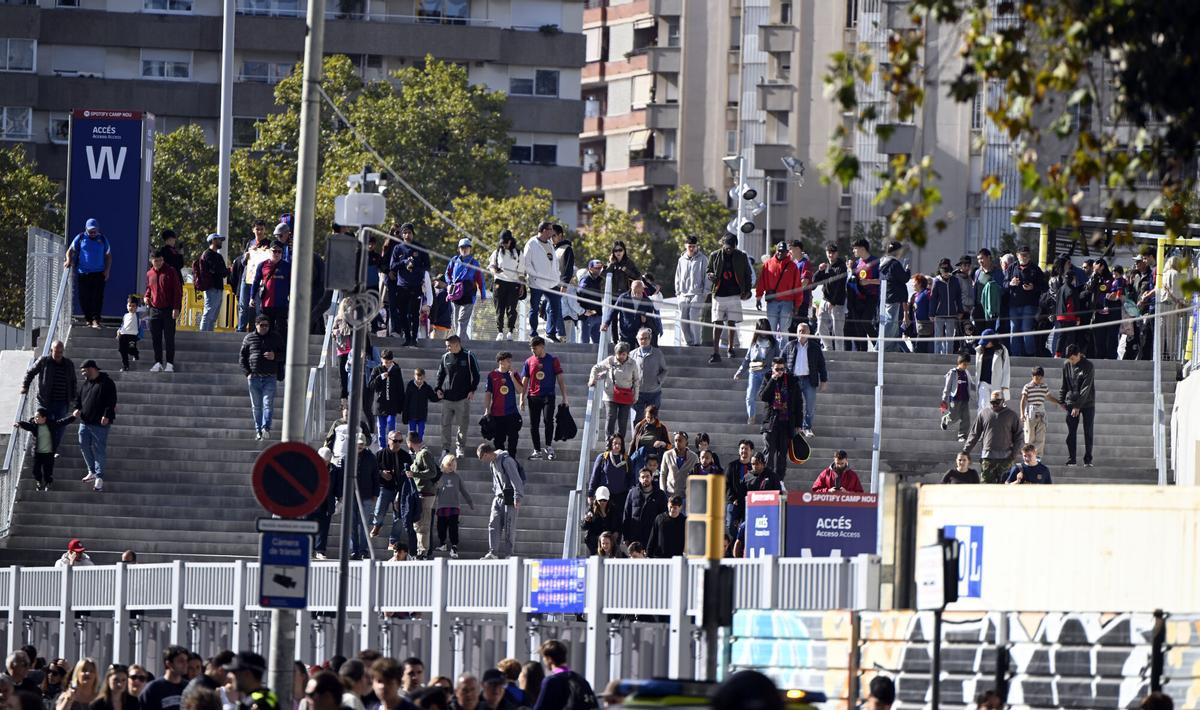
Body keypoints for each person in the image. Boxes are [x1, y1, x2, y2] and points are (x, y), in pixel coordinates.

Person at [20, 340, 77, 451]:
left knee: (59, 428)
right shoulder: (44, 361)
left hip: (62, 402)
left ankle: (52, 450)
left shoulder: (68, 364)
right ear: (51, 351)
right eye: (56, 352)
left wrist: (73, 397)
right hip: (45, 401)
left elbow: (73, 381)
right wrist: (25, 386)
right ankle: (39, 449)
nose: (59, 355)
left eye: (61, 352)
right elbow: (30, 372)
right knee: (43, 426)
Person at [707, 234, 754, 363]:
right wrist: (710, 275)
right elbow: (708, 270)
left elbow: (747, 274)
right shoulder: (714, 255)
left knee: (732, 322)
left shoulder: (741, 256)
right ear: (723, 245)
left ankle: (730, 348)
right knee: (717, 323)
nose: (729, 250)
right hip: (718, 294)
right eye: (727, 247)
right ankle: (715, 352)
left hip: (734, 294)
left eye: (731, 247)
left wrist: (747, 290)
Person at [519, 337, 568, 461]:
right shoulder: (529, 361)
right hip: (533, 396)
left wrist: (565, 397)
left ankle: (549, 446)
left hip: (548, 395)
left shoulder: (553, 360)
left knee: (548, 420)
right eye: (531, 349)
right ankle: (537, 450)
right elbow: (524, 381)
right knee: (533, 424)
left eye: (535, 348)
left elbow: (560, 379)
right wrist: (521, 397)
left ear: (542, 346)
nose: (533, 351)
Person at [73, 360, 116, 492]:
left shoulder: (107, 382)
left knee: (99, 449)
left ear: (92, 369)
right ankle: (91, 471)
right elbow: (79, 399)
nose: (82, 373)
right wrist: (77, 408)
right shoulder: (86, 383)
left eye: (84, 370)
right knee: (83, 444)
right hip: (85, 422)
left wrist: (106, 415)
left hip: (100, 423)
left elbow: (112, 400)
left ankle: (99, 476)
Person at [240, 315, 285, 441]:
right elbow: (242, 357)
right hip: (254, 377)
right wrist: (247, 373)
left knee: (267, 404)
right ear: (256, 325)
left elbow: (284, 354)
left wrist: (274, 356)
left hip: (269, 377)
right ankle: (258, 430)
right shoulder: (249, 338)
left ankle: (266, 428)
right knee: (256, 406)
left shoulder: (275, 337)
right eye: (262, 325)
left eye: (267, 325)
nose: (265, 328)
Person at [962, 389, 1022, 483]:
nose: (994, 404)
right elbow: (974, 433)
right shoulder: (984, 413)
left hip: (1005, 459)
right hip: (987, 458)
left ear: (1003, 401)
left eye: (997, 402)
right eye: (992, 402)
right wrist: (966, 450)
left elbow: (1019, 436)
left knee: (1005, 488)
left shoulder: (1012, 415)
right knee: (986, 487)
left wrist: (1013, 455)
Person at [435, 335, 480, 459]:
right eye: (447, 346)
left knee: (463, 424)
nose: (447, 348)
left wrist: (472, 390)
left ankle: (460, 447)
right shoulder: (445, 357)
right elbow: (440, 374)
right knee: (445, 424)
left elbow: (476, 375)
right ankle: (445, 448)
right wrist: (438, 388)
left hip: (463, 398)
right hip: (447, 397)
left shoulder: (469, 356)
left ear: (457, 344)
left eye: (449, 346)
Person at [370, 430, 415, 552]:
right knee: (379, 511)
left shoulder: (405, 456)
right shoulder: (380, 454)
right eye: (395, 441)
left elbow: (409, 473)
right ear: (388, 440)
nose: (397, 443)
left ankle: (393, 541)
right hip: (384, 487)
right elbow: (373, 471)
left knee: (399, 516)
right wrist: (381, 473)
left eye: (400, 441)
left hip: (400, 490)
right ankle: (377, 526)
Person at [477, 443, 524, 560]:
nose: (482, 460)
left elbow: (516, 479)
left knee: (509, 527)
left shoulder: (506, 461)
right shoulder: (492, 463)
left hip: (510, 498)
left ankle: (509, 554)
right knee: (493, 524)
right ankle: (493, 552)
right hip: (498, 498)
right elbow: (495, 480)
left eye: (482, 457)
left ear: (487, 454)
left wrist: (517, 496)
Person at [758, 358, 803, 478]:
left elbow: (799, 403)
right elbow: (763, 396)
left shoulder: (792, 381)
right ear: (772, 369)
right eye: (777, 369)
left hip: (786, 422)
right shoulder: (768, 378)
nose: (780, 371)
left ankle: (779, 481)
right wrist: (773, 380)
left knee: (782, 454)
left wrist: (799, 424)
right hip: (771, 422)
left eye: (782, 369)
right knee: (769, 451)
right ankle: (766, 479)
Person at [781, 323, 828, 438]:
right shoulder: (790, 345)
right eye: (800, 330)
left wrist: (824, 380)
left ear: (809, 333)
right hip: (793, 380)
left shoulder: (815, 347)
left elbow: (821, 365)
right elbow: (781, 360)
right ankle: (794, 427)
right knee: (792, 405)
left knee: (810, 406)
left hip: (809, 380)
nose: (801, 333)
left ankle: (807, 427)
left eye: (804, 331)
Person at [587, 342, 640, 442]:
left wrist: (636, 395)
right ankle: (609, 442)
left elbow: (636, 380)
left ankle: (619, 443)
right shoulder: (610, 360)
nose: (621, 356)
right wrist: (592, 379)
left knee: (623, 421)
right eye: (619, 354)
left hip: (625, 395)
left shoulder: (632, 363)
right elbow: (596, 368)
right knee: (611, 418)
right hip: (610, 395)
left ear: (627, 354)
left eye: (623, 354)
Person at [388, 224, 430, 347]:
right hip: (402, 286)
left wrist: (417, 269)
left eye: (410, 232)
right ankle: (407, 337)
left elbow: (427, 266)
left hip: (416, 286)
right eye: (405, 232)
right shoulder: (398, 248)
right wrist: (404, 262)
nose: (407, 235)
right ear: (401, 234)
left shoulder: (420, 248)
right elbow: (392, 266)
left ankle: (414, 338)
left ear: (413, 234)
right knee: (403, 313)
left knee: (414, 313)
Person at [66, 218, 112, 329]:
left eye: (94, 230)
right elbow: (70, 251)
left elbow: (109, 256)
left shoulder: (102, 239)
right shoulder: (81, 238)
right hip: (83, 273)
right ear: (86, 229)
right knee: (83, 297)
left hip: (98, 273)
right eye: (90, 231)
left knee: (97, 298)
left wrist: (107, 270)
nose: (93, 233)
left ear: (98, 229)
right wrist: (68, 260)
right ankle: (88, 319)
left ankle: (96, 320)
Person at [14, 407, 74, 491]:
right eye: (35, 417)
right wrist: (19, 423)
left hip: (49, 453)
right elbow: (27, 426)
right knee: (36, 470)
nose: (35, 419)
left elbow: (62, 422)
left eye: (37, 417)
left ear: (44, 418)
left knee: (48, 470)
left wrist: (73, 417)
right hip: (37, 453)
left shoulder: (51, 424)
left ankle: (48, 483)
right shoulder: (34, 425)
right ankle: (39, 481)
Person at [756, 242, 803, 346]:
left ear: (787, 252)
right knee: (771, 329)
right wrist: (758, 297)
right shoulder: (768, 264)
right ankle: (772, 352)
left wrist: (797, 305)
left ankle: (784, 355)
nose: (780, 253)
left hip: (787, 302)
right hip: (772, 302)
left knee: (785, 330)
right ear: (776, 250)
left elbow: (797, 287)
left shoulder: (792, 266)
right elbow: (761, 282)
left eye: (783, 251)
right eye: (779, 250)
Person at [735, 319, 780, 425]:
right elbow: (747, 359)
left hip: (768, 372)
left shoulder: (774, 344)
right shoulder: (754, 343)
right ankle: (751, 416)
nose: (763, 331)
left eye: (765, 329)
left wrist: (777, 372)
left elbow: (778, 359)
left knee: (770, 396)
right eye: (761, 329)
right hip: (754, 372)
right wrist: (740, 372)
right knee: (750, 396)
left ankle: (771, 417)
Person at [522, 222, 562, 341]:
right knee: (534, 308)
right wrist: (536, 275)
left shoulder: (550, 243)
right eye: (550, 230)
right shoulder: (531, 244)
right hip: (537, 282)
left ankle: (551, 332)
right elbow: (526, 264)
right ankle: (533, 333)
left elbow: (553, 262)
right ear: (544, 230)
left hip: (552, 282)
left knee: (556, 306)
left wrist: (557, 275)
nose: (552, 232)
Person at [144, 250, 183, 373]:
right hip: (154, 310)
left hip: (169, 309)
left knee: (169, 338)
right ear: (152, 261)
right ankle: (158, 362)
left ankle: (170, 363)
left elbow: (178, 291)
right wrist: (146, 296)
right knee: (156, 338)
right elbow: (149, 288)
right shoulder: (149, 273)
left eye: (161, 260)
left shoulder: (171, 271)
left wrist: (176, 308)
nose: (159, 262)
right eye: (156, 261)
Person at [1005, 245, 1047, 356]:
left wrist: (1033, 287)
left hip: (1029, 304)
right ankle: (1015, 355)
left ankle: (1030, 354)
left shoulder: (1036, 269)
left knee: (1026, 329)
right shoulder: (1011, 268)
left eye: (1027, 255)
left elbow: (1044, 286)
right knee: (1014, 330)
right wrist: (1011, 283)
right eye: (1022, 255)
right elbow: (1004, 284)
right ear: (1017, 255)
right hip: (1014, 304)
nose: (1024, 257)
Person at [1059, 343, 1096, 467]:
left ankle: (1088, 459)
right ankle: (1072, 458)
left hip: (1087, 403)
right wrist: (1062, 400)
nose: (1071, 361)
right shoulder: (1066, 365)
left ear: (1078, 355)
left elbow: (1086, 388)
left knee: (1088, 431)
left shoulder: (1088, 366)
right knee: (1071, 432)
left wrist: (1078, 406)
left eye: (1073, 359)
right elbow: (1064, 384)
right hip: (1071, 401)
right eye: (1069, 359)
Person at [432, 453, 474, 559]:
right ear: (444, 464)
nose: (451, 467)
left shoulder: (457, 477)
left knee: (453, 528)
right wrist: (432, 504)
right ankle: (443, 544)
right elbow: (435, 491)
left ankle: (454, 546)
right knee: (441, 527)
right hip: (442, 507)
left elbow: (464, 491)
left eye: (453, 465)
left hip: (454, 507)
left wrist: (470, 502)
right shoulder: (440, 477)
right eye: (449, 465)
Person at [586, 434, 633, 529]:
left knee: (618, 524)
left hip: (621, 497)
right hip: (605, 497)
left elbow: (631, 478)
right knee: (605, 523)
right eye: (615, 443)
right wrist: (590, 494)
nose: (617, 446)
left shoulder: (626, 459)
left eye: (619, 443)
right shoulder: (603, 457)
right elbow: (595, 476)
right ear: (611, 444)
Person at [531, 641, 595, 710]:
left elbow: (539, 708)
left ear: (549, 659)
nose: (543, 660)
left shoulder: (551, 681)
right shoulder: (581, 680)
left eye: (544, 657)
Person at [406, 431, 439, 560]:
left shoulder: (424, 453)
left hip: (426, 493)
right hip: (422, 492)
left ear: (409, 443)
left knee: (423, 523)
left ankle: (423, 552)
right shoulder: (420, 453)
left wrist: (415, 474)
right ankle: (422, 550)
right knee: (419, 523)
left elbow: (432, 472)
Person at [482, 351, 523, 457]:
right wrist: (487, 410)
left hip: (512, 413)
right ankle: (501, 461)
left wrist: (513, 377)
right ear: (501, 362)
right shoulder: (492, 375)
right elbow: (488, 394)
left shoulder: (514, 374)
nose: (510, 363)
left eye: (510, 361)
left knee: (513, 439)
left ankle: (512, 460)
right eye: (507, 361)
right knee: (499, 441)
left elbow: (520, 390)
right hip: (497, 414)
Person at [444, 239, 485, 339]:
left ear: (470, 249)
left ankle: (459, 343)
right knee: (456, 321)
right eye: (462, 247)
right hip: (456, 294)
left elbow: (480, 279)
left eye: (467, 247)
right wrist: (449, 284)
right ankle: (466, 342)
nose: (464, 249)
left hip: (469, 294)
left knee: (462, 321)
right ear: (459, 249)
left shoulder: (475, 263)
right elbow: (447, 273)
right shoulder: (454, 260)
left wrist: (483, 295)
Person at [674, 235, 709, 346]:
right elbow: (677, 277)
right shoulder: (681, 260)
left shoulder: (703, 259)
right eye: (689, 246)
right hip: (684, 294)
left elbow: (707, 276)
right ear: (685, 246)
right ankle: (689, 342)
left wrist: (705, 292)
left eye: (694, 246)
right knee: (683, 318)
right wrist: (678, 293)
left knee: (693, 316)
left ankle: (697, 342)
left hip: (698, 293)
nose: (692, 249)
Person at [488, 230, 523, 341]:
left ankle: (510, 332)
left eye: (506, 242)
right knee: (499, 308)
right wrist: (495, 271)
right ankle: (500, 332)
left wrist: (521, 285)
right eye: (502, 242)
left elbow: (521, 271)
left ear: (511, 241)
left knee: (512, 309)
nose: (504, 244)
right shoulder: (497, 252)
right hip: (499, 282)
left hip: (513, 283)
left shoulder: (518, 252)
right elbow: (491, 266)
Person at [846, 239, 880, 352]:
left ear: (862, 248)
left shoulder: (876, 262)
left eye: (855, 248)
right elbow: (853, 280)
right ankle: (862, 351)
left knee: (866, 321)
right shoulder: (857, 263)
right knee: (859, 326)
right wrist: (850, 270)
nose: (853, 251)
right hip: (858, 298)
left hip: (871, 296)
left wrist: (869, 281)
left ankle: (878, 346)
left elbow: (883, 280)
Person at [251, 241, 291, 338]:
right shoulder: (262, 265)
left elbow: (292, 284)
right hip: (266, 304)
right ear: (270, 251)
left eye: (279, 252)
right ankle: (266, 349)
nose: (277, 254)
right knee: (267, 329)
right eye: (274, 251)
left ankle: (281, 351)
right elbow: (256, 282)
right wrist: (252, 297)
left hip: (282, 304)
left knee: (282, 329)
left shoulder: (287, 266)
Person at [814, 243, 849, 351]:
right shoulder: (826, 266)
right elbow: (815, 281)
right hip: (825, 300)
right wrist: (819, 271)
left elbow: (839, 286)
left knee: (837, 330)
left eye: (833, 252)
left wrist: (833, 302)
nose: (831, 254)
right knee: (820, 325)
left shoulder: (841, 266)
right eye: (829, 252)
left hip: (836, 303)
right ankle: (828, 347)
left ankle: (839, 352)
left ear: (837, 253)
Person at [602, 281, 657, 349]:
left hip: (640, 333)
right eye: (634, 292)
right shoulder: (623, 297)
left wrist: (646, 318)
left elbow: (651, 317)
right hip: (626, 332)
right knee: (626, 355)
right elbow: (614, 311)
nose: (636, 294)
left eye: (639, 292)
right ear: (631, 288)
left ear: (643, 289)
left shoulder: (647, 301)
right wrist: (606, 323)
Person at [1019, 366, 1059, 457]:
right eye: (1037, 377)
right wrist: (1022, 414)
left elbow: (1048, 396)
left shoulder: (1044, 386)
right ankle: (1028, 456)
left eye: (1041, 377)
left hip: (1041, 413)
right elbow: (1023, 400)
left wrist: (1058, 402)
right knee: (1029, 437)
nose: (1039, 379)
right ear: (1032, 376)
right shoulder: (1027, 386)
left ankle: (1038, 457)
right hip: (1030, 413)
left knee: (1040, 437)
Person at [621, 468, 667, 549]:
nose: (645, 479)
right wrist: (626, 537)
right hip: (635, 536)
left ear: (651, 477)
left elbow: (663, 517)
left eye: (647, 476)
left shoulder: (660, 494)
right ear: (639, 479)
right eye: (642, 477)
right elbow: (626, 514)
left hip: (652, 535)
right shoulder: (632, 493)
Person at [368, 350, 404, 450]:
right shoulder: (376, 369)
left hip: (392, 404)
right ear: (381, 360)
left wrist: (400, 405)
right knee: (381, 427)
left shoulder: (396, 370)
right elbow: (371, 385)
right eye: (385, 362)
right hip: (380, 404)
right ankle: (382, 447)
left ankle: (391, 446)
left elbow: (400, 388)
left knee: (391, 424)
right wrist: (380, 377)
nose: (387, 364)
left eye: (389, 362)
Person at [196, 233, 230, 332]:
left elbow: (222, 272)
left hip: (218, 287)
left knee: (214, 315)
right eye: (219, 240)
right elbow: (216, 270)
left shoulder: (218, 256)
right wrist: (225, 271)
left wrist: (225, 271)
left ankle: (209, 334)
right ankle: (203, 335)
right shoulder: (208, 254)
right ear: (213, 240)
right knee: (209, 312)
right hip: (211, 287)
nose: (221, 242)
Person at [928, 258, 963, 354]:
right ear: (940, 271)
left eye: (947, 272)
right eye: (944, 272)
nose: (946, 274)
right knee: (938, 337)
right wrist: (931, 314)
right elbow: (933, 299)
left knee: (949, 338)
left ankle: (949, 356)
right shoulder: (936, 281)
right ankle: (937, 356)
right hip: (939, 314)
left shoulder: (955, 281)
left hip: (951, 314)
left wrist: (960, 311)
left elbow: (958, 297)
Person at [940, 354, 975, 442]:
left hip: (965, 399)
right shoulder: (953, 372)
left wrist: (979, 387)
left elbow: (971, 384)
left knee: (966, 418)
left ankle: (962, 435)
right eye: (964, 364)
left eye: (967, 365)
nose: (966, 366)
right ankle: (945, 420)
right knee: (953, 417)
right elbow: (947, 387)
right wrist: (944, 399)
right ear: (959, 363)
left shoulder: (966, 373)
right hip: (955, 399)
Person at [974, 329, 1011, 411]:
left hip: (997, 383)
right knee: (983, 406)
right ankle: (982, 423)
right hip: (983, 382)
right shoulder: (979, 350)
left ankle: (992, 423)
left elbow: (1006, 369)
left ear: (992, 340)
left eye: (986, 341)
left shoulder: (1003, 350)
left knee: (995, 407)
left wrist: (1005, 386)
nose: (984, 344)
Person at [580, 486, 620, 555]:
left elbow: (618, 525)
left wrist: (616, 533)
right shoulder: (591, 509)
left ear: (608, 499)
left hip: (609, 542)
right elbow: (583, 527)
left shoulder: (613, 509)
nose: (602, 502)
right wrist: (587, 520)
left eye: (605, 500)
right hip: (594, 542)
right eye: (600, 500)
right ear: (596, 499)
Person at [576, 259, 605, 345]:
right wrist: (584, 311)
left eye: (600, 268)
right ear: (590, 269)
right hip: (587, 317)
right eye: (597, 268)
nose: (599, 270)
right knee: (584, 343)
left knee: (598, 343)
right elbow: (580, 293)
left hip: (597, 315)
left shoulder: (599, 279)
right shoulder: (585, 280)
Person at [402, 369, 436, 441]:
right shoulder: (410, 386)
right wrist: (405, 415)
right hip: (412, 415)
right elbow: (406, 401)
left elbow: (433, 397)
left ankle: (419, 446)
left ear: (424, 377)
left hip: (422, 415)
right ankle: (411, 448)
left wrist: (439, 396)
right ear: (414, 376)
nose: (420, 381)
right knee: (412, 433)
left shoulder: (427, 387)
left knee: (421, 432)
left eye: (421, 379)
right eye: (418, 379)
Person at [661, 432, 698, 496]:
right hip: (670, 494)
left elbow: (697, 476)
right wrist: (663, 491)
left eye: (680, 440)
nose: (677, 443)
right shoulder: (667, 455)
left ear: (686, 442)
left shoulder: (694, 457)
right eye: (675, 440)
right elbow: (663, 474)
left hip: (686, 495)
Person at [116, 297, 141, 371]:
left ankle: (135, 353)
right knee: (122, 350)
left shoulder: (137, 316)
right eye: (130, 305)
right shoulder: (125, 315)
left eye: (133, 306)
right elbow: (123, 324)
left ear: (136, 307)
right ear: (127, 306)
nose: (131, 308)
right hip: (123, 335)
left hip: (132, 336)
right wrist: (119, 331)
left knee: (131, 349)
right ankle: (125, 365)